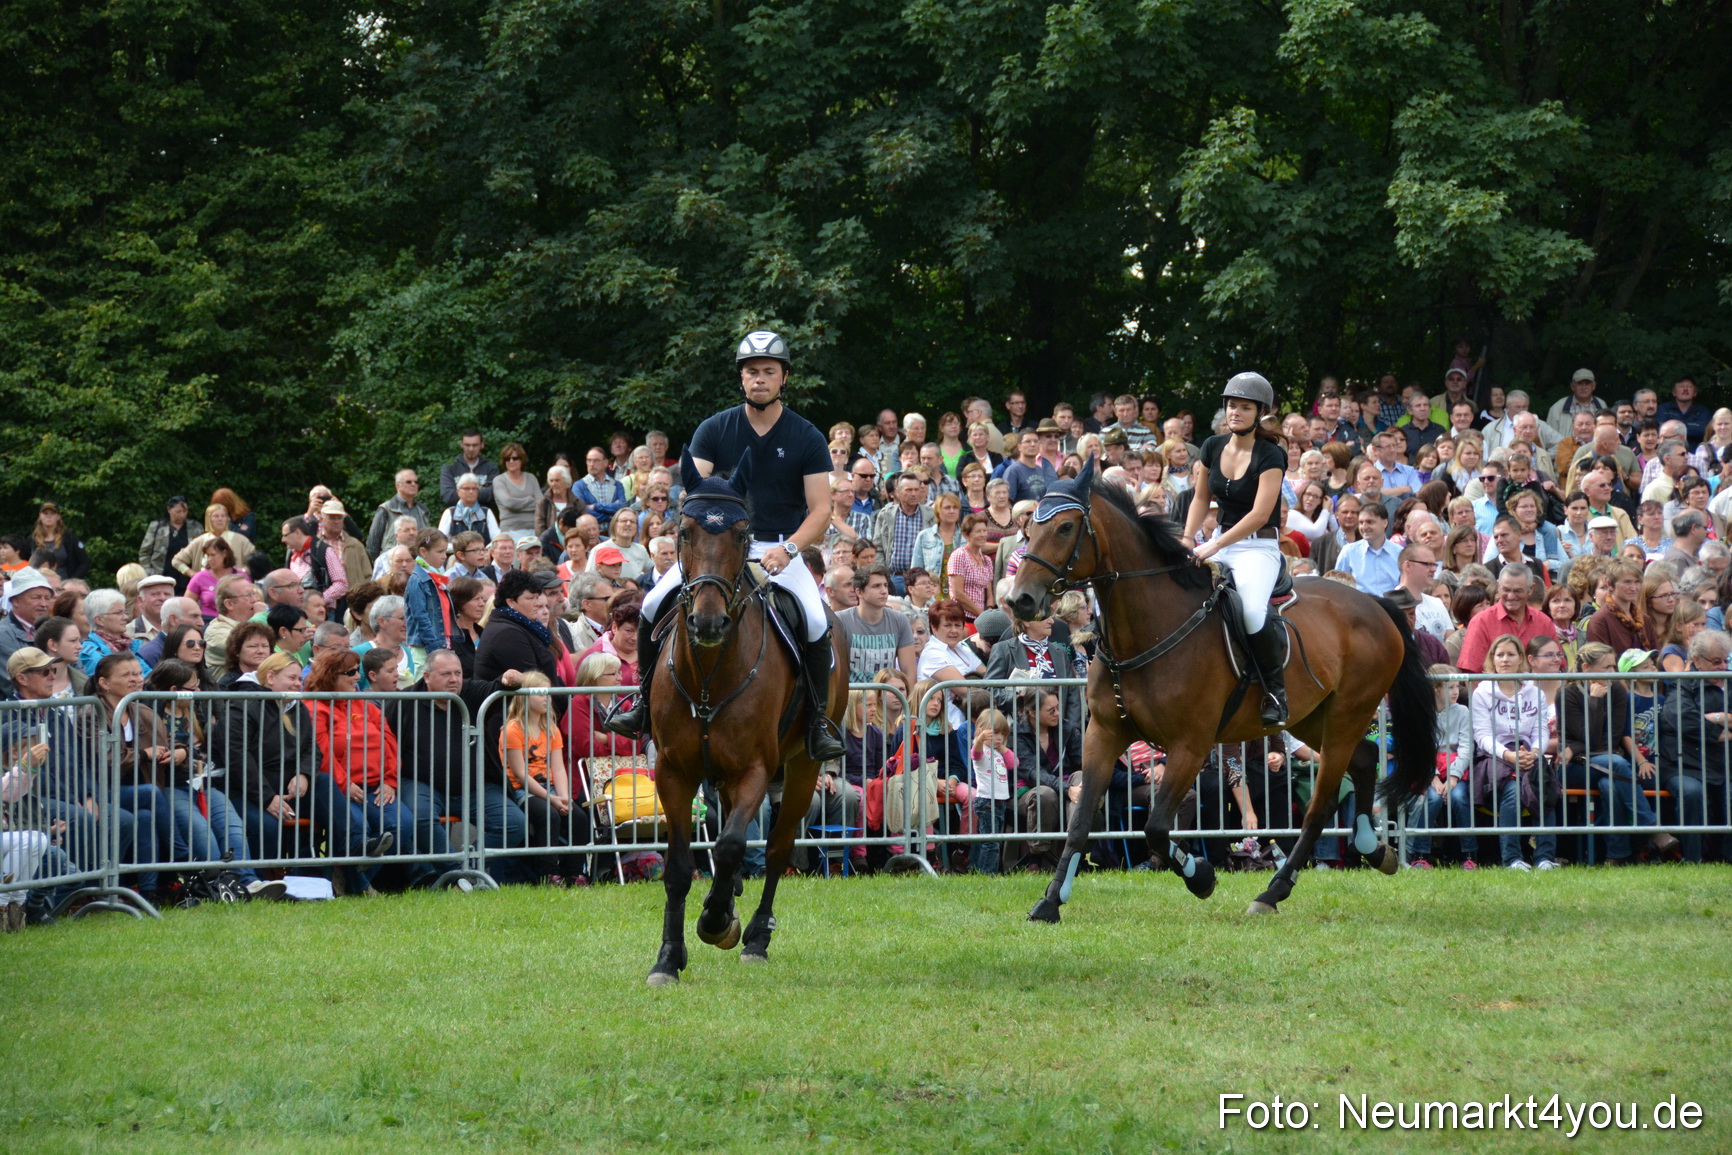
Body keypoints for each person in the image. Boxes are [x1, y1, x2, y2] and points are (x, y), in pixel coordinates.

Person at [606, 331, 843, 761]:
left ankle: (816, 724)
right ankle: (642, 702)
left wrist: (788, 550)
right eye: (751, 371)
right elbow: (693, 496)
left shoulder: (806, 435)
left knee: (814, 621)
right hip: (715, 549)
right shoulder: (714, 428)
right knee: (650, 604)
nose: (759, 379)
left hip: (777, 548)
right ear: (741, 378)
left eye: (768, 371)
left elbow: (822, 510)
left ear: (784, 377)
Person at [1180, 372, 1290, 726]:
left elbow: (1259, 514)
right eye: (1231, 405)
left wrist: (1211, 544)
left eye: (1245, 407)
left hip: (1258, 547)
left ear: (1259, 413)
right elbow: (1200, 498)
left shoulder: (1271, 454)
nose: (1235, 412)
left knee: (1253, 613)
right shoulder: (1212, 446)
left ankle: (1275, 690)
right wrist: (1186, 538)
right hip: (1218, 542)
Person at [302, 648, 411, 895]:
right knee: (357, 826)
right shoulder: (315, 707)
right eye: (350, 672)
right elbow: (322, 753)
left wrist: (390, 781)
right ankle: (359, 887)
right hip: (342, 788)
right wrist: (345, 785)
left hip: (375, 787)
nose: (357, 677)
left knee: (402, 824)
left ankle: (349, 878)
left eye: (358, 671)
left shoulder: (364, 704)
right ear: (330, 676)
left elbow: (389, 745)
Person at [1558, 642, 1678, 864]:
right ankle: (1651, 827)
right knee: (1617, 762)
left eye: (1613, 667)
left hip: (1608, 763)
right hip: (1576, 766)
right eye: (1606, 668)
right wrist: (1594, 701)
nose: (1613, 673)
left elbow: (1612, 737)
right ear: (1586, 668)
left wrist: (1576, 744)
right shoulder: (1567, 694)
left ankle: (1616, 856)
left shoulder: (1616, 691)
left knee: (1610, 783)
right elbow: (1591, 739)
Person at [1471, 634, 1560, 870]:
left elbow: (1541, 729)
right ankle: (1512, 859)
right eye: (1500, 655)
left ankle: (1545, 858)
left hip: (1530, 751)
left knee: (1544, 788)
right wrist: (1508, 755)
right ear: (1492, 659)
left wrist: (1537, 752)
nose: (1505, 659)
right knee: (1512, 790)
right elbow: (1482, 735)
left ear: (1521, 658)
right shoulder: (1482, 692)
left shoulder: (1535, 692)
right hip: (1496, 756)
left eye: (1511, 654)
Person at [1402, 664, 1478, 869]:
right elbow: (1420, 747)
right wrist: (1432, 776)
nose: (1456, 692)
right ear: (1435, 688)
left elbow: (1466, 747)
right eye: (1450, 687)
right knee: (1432, 798)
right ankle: (1421, 854)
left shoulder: (1462, 711)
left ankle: (1469, 854)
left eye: (1457, 687)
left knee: (1459, 797)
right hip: (1428, 769)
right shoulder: (1422, 713)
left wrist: (1453, 776)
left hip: (1456, 767)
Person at [1456, 563, 1556, 673]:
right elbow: (1472, 673)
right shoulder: (1481, 622)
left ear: (1531, 589)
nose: (1511, 596)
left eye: (1518, 591)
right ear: (1498, 586)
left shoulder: (1544, 622)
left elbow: (1556, 665)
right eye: (1506, 590)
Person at [836, 565, 917, 681]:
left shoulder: (900, 620)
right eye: (876, 586)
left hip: (887, 696)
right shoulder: (841, 620)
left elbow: (909, 671)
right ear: (859, 592)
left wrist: (904, 698)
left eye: (885, 585)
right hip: (854, 697)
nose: (884, 591)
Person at [366, 470, 429, 559]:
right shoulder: (386, 509)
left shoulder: (423, 510)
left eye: (416, 482)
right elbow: (372, 543)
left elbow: (428, 539)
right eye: (409, 482)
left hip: (420, 564)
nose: (413, 484)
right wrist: (382, 565)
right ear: (398, 485)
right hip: (393, 564)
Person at [137, 496, 193, 592]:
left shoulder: (195, 527)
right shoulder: (156, 526)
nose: (182, 515)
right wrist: (149, 573)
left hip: (186, 577)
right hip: (161, 575)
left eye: (185, 511)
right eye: (178, 512)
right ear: (169, 509)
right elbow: (144, 552)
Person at [29, 503, 89, 581]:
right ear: (40, 516)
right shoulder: (32, 539)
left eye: (52, 513)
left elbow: (84, 563)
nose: (49, 516)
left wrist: (72, 581)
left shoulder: (69, 538)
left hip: (64, 583)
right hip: (38, 583)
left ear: (58, 517)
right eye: (45, 513)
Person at [438, 431, 498, 509]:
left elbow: (492, 494)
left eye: (475, 445)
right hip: (456, 517)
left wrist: (462, 492)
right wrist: (480, 492)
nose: (471, 449)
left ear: (482, 445)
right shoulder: (450, 468)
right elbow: (448, 496)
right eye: (467, 445)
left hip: (484, 517)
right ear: (461, 445)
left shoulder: (490, 468)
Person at [439, 474, 501, 544]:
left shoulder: (487, 512)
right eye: (467, 489)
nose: (471, 492)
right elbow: (441, 542)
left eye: (474, 489)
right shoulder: (449, 513)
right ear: (458, 491)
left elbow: (497, 539)